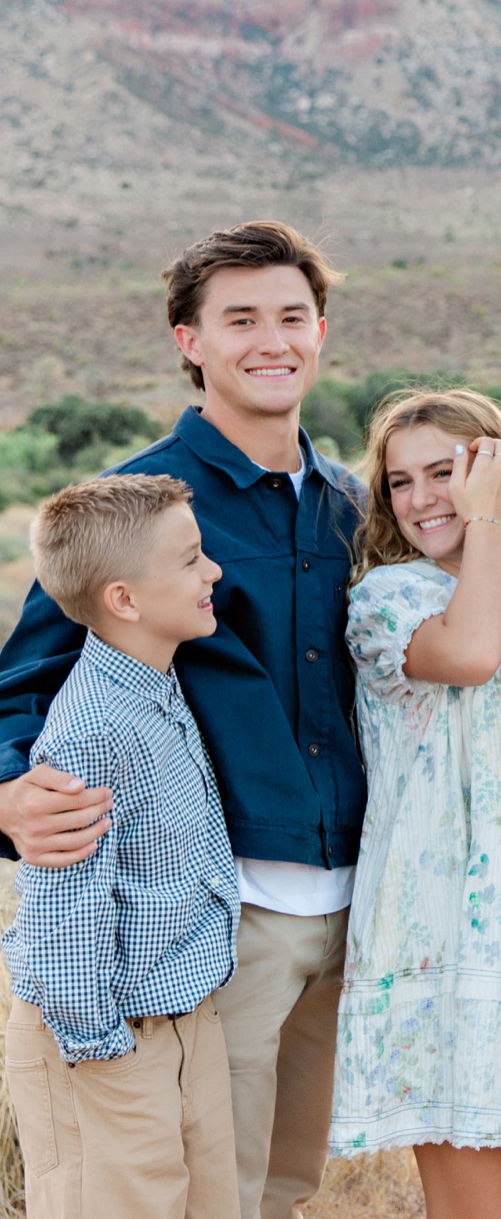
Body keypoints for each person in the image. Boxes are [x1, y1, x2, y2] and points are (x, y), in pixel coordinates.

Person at [0, 220, 365, 1219]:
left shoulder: (352, 505)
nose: (271, 340)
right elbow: (25, 680)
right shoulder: (143, 505)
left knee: (287, 1183)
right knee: (218, 1194)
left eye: (291, 316)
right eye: (239, 318)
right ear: (189, 341)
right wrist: (10, 792)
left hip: (352, 907)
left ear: (321, 330)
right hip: (219, 917)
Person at [331, 390, 501, 1216]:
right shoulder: (388, 599)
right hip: (441, 928)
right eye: (400, 482)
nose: (421, 500)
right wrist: (485, 519)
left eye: (444, 472)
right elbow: (474, 651)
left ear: (498, 467)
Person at [1, 475, 237, 1218]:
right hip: (103, 1041)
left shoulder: (156, 684)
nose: (214, 572)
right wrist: (104, 1049)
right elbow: (63, 915)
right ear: (124, 600)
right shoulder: (91, 733)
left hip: (178, 1020)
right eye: (192, 559)